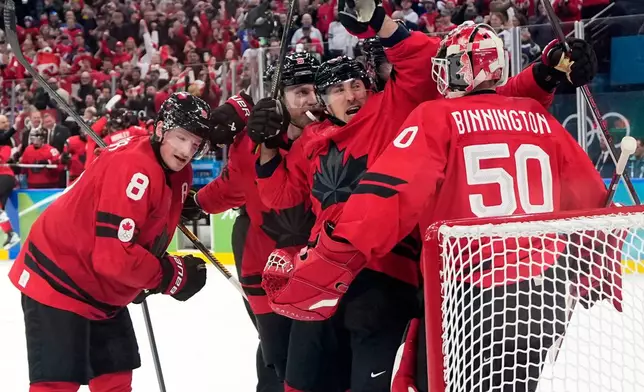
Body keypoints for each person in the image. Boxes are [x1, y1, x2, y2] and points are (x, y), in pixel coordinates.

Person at [250, 1, 597, 388]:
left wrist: (383, 25)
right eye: (337, 90)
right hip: (532, 288)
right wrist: (265, 148)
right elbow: (588, 191)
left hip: (414, 278)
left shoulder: (401, 111)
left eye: (357, 86)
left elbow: (385, 200)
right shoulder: (309, 143)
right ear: (323, 98)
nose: (350, 96)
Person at [8, 92, 211, 392]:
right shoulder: (135, 168)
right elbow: (113, 256)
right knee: (57, 385)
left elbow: (138, 238)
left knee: (114, 380)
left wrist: (139, 278)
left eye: (195, 144)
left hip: (101, 290)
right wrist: (167, 275)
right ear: (160, 129)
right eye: (181, 138)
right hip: (58, 278)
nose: (186, 150)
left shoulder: (178, 172)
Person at [189, 52, 346, 392]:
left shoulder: (333, 135)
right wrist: (197, 203)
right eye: (298, 93)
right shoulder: (251, 142)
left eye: (312, 90)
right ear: (281, 98)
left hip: (320, 268)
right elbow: (233, 186)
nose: (309, 100)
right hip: (264, 269)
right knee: (278, 359)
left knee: (325, 359)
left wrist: (242, 105)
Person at [0, 118, 19, 249]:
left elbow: (2, 159)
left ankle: (11, 234)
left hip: (5, 176)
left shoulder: (6, 146)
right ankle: (10, 233)